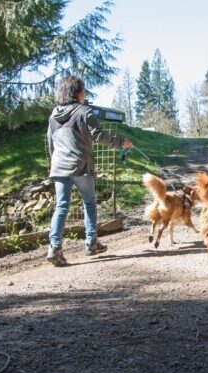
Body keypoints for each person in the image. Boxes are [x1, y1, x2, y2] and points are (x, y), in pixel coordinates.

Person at [45, 75, 132, 266]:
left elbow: (51, 143)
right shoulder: (84, 111)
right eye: (83, 91)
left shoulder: (53, 116)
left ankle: (54, 247)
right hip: (80, 166)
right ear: (78, 93)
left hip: (59, 167)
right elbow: (99, 136)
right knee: (90, 204)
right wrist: (121, 143)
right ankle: (91, 242)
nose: (85, 94)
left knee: (61, 206)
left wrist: (55, 163)